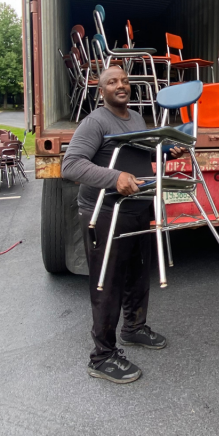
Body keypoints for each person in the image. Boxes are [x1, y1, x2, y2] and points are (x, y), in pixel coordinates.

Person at [62, 66, 186, 383]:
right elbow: (71, 164)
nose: (121, 85)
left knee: (138, 272)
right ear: (100, 91)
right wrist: (114, 178)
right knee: (109, 283)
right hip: (105, 211)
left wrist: (166, 151)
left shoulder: (135, 118)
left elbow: (138, 151)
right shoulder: (95, 122)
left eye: (125, 80)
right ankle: (101, 357)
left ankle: (133, 327)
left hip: (136, 208)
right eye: (112, 82)